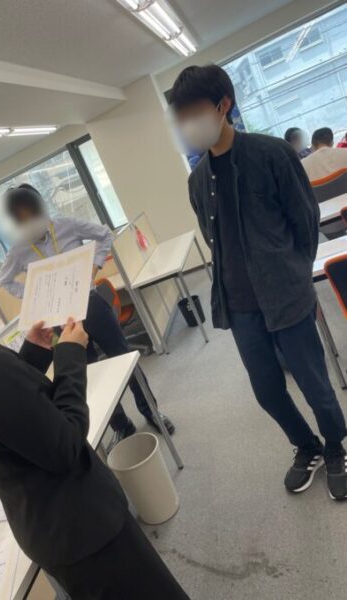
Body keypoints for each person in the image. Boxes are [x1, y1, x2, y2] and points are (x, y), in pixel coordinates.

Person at [0, 220, 189, 599]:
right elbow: (66, 443)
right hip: (83, 527)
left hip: (47, 526)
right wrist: (70, 355)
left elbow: (3, 409)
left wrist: (33, 354)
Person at [169, 64, 347, 500]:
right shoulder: (197, 181)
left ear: (223, 105)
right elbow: (213, 237)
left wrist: (294, 274)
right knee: (267, 390)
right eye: (180, 117)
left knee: (314, 383)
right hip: (240, 304)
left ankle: (335, 447)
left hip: (286, 293)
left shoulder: (272, 154)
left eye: (193, 112)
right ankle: (306, 446)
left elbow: (305, 220)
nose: (187, 124)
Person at [0, 184, 175, 449]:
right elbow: (5, 280)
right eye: (22, 219)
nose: (29, 222)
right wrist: (35, 294)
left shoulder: (66, 225)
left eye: (31, 215)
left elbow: (104, 235)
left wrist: (94, 267)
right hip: (61, 319)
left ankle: (151, 411)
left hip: (91, 305)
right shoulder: (18, 249)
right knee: (89, 374)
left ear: (40, 210)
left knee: (125, 357)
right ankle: (121, 425)